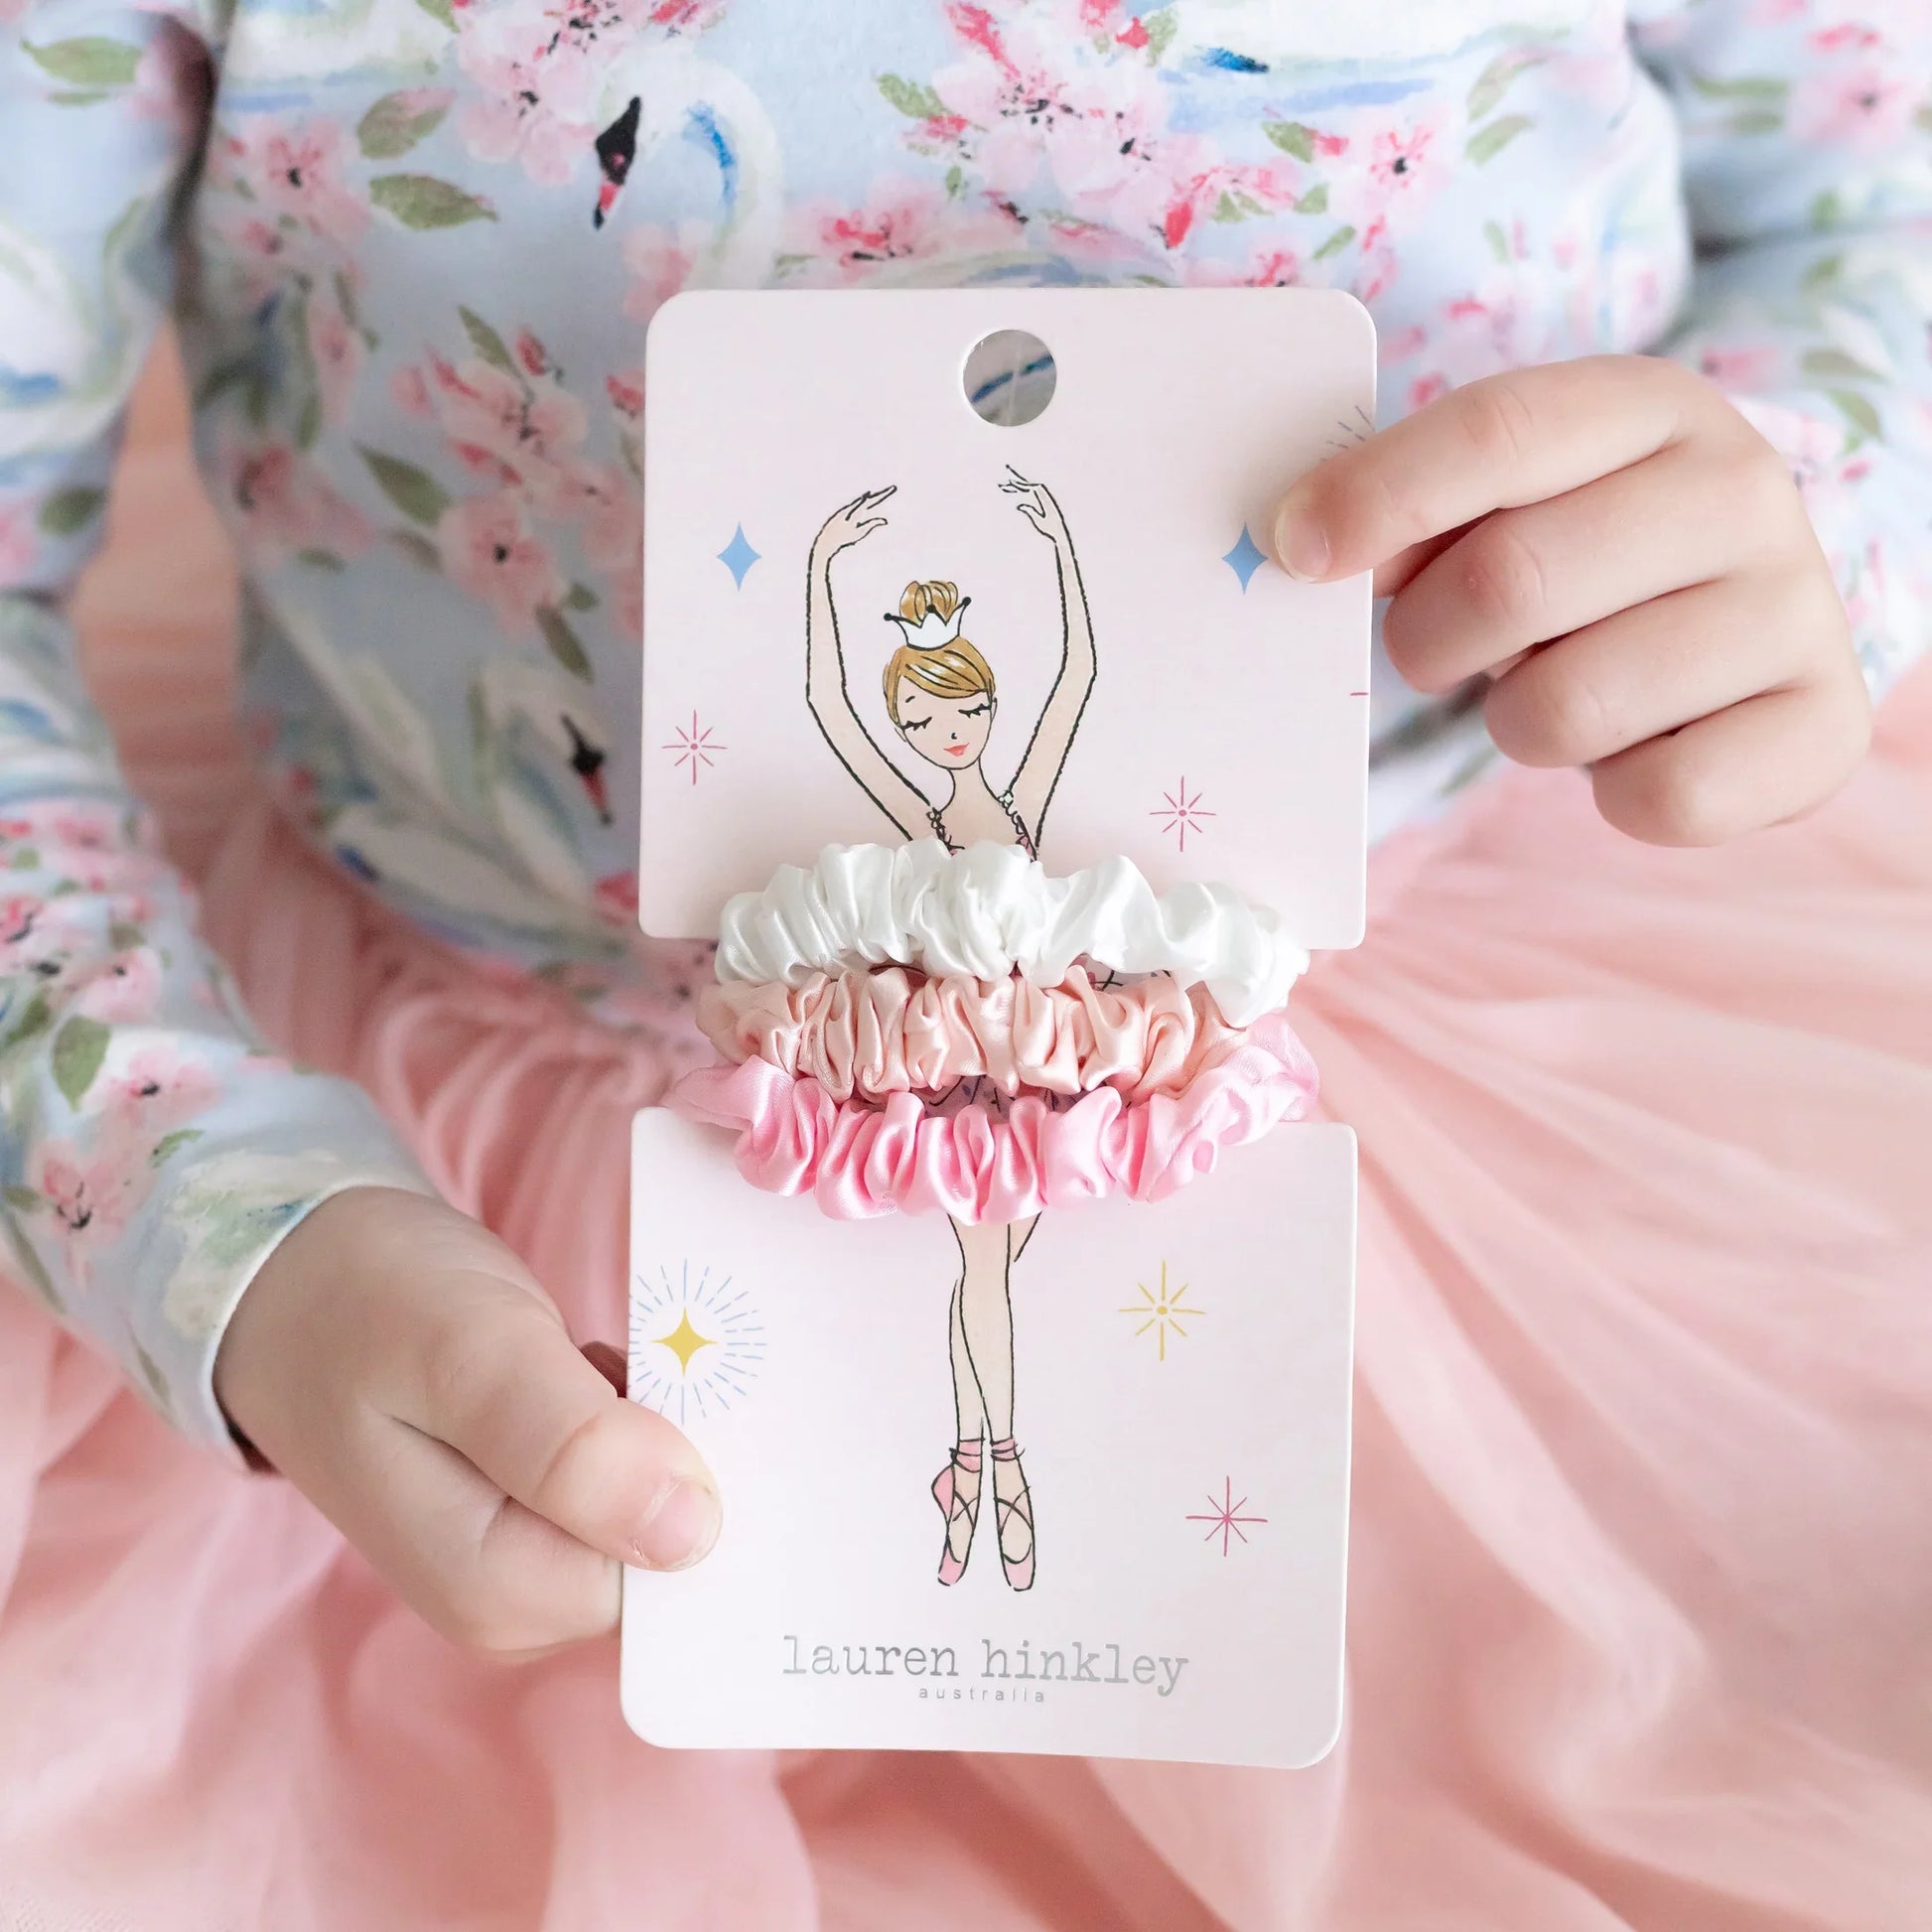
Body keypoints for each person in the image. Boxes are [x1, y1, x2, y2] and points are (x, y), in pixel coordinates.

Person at [1, 3, 1928, 1925]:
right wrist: (215, 1222)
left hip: (1483, 1081)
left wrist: (1808, 517)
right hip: (454, 1239)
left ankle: (991, 1466)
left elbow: (1867, 197)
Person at [803, 472, 1098, 1588]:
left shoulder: (1020, 801)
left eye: (960, 711)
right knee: (985, 1267)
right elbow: (829, 708)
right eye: (922, 723)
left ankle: (962, 1462)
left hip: (1037, 1058)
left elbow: (1076, 677)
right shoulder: (919, 818)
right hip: (959, 1062)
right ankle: (1005, 1471)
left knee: (991, 1271)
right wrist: (821, 565)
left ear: (985, 704)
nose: (946, 734)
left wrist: (1061, 541)